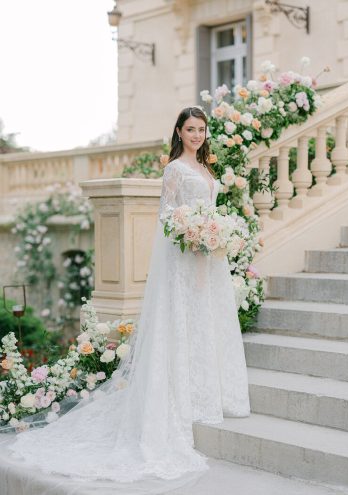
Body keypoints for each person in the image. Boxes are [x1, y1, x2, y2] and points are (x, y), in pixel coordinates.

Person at [0, 107, 250, 494]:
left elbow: (207, 210)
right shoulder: (174, 171)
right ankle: (180, 400)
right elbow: (168, 219)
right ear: (179, 132)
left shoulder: (206, 169)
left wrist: (214, 234)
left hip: (209, 259)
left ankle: (207, 395)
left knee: (206, 323)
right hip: (188, 258)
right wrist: (196, 235)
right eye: (190, 130)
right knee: (185, 322)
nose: (197, 135)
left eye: (201, 130)